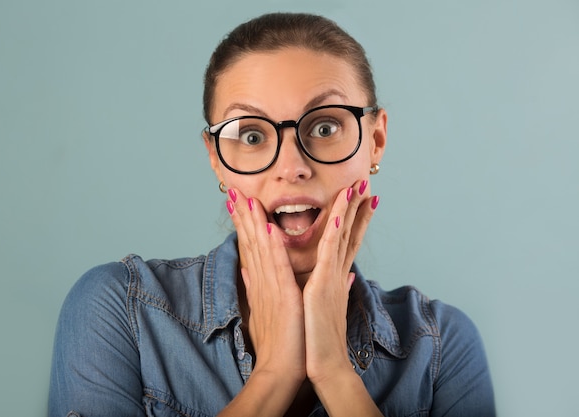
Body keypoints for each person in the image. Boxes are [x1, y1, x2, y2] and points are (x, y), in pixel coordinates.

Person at [49, 12, 496, 417]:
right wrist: (276, 375)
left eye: (325, 127)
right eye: (250, 135)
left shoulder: (441, 346)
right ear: (215, 158)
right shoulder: (119, 309)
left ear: (375, 140)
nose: (291, 168)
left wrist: (337, 376)